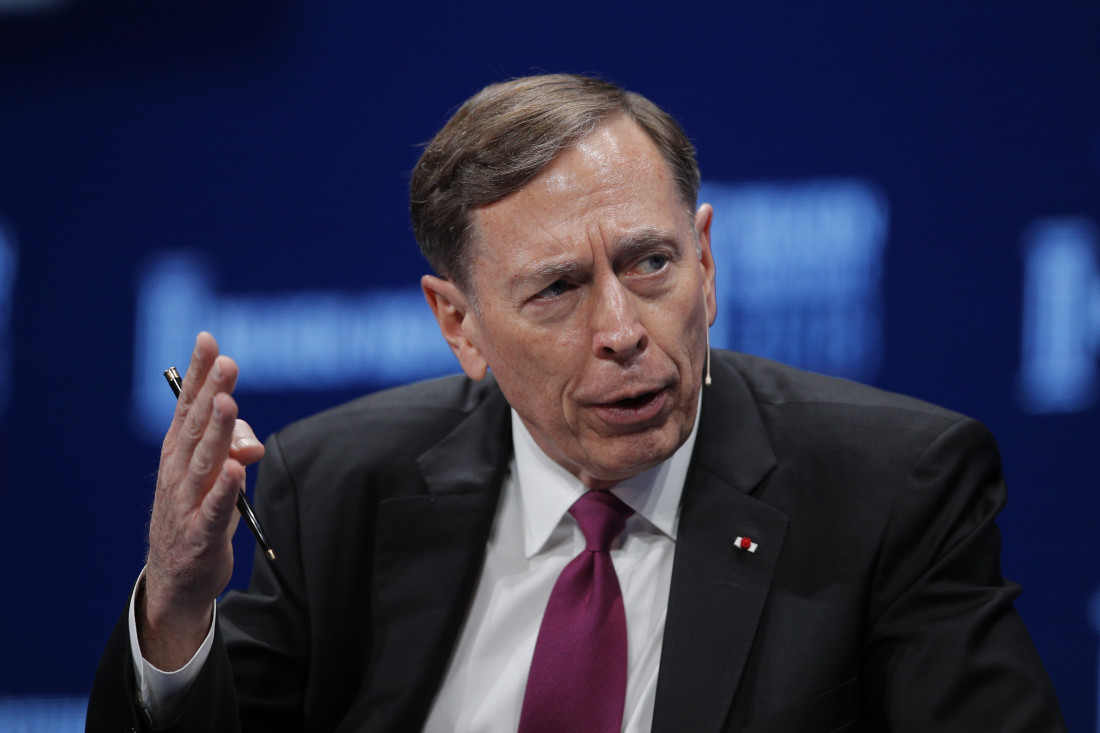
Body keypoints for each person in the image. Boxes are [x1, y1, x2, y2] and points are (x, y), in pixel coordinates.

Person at [87, 73, 1066, 732]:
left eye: (650, 263)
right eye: (556, 289)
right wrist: (174, 608)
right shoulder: (343, 485)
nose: (622, 328)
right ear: (460, 324)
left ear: (706, 261)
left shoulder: (890, 486)